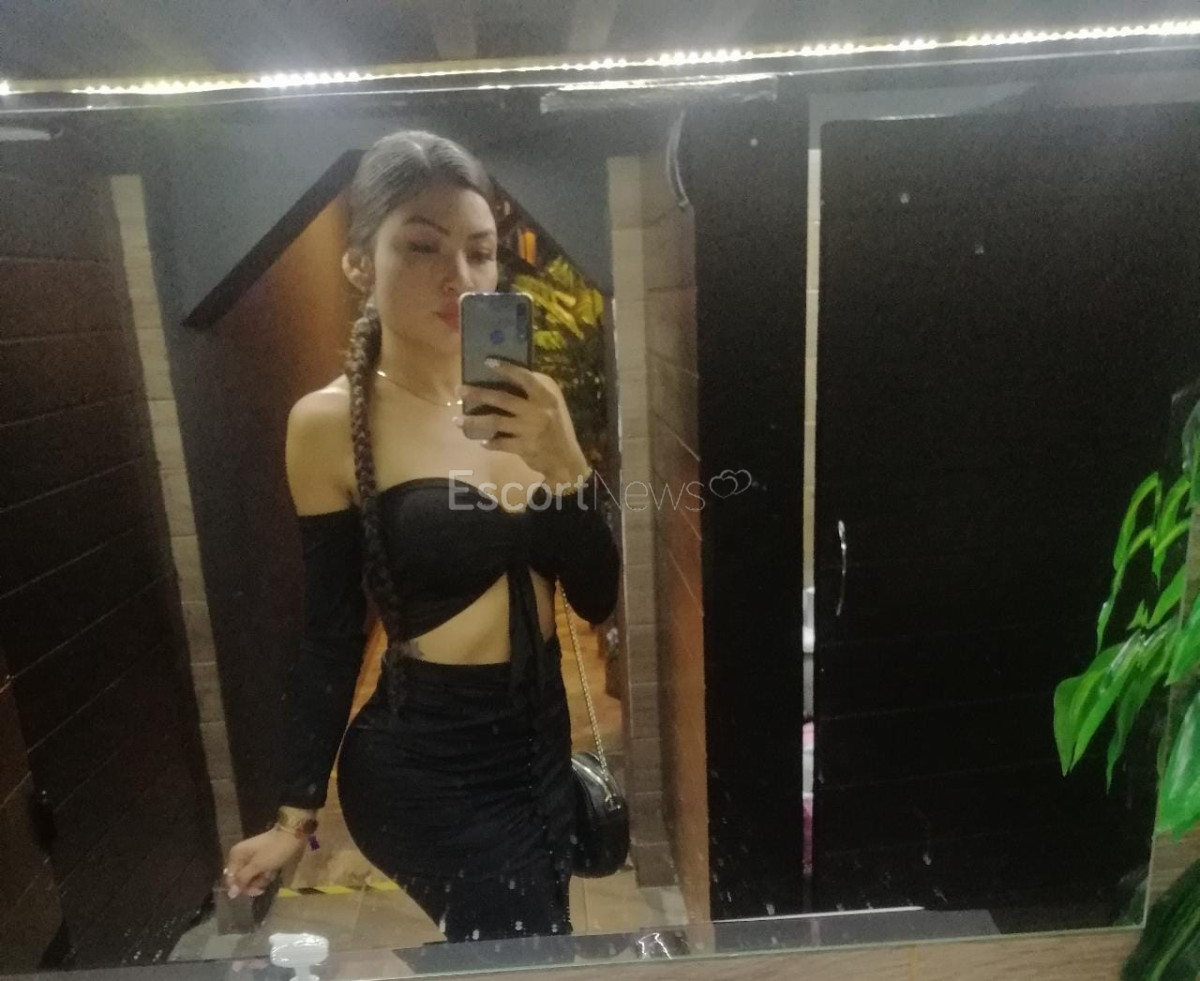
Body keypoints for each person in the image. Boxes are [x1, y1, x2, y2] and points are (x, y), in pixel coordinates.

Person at [222, 130, 621, 945]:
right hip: (427, 765)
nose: (459, 276)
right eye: (422, 245)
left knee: (532, 944)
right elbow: (331, 629)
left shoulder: (532, 404)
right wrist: (294, 815)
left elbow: (597, 593)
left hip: (540, 743)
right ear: (358, 264)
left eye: (480, 251)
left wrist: (569, 465)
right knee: (525, 948)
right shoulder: (327, 423)